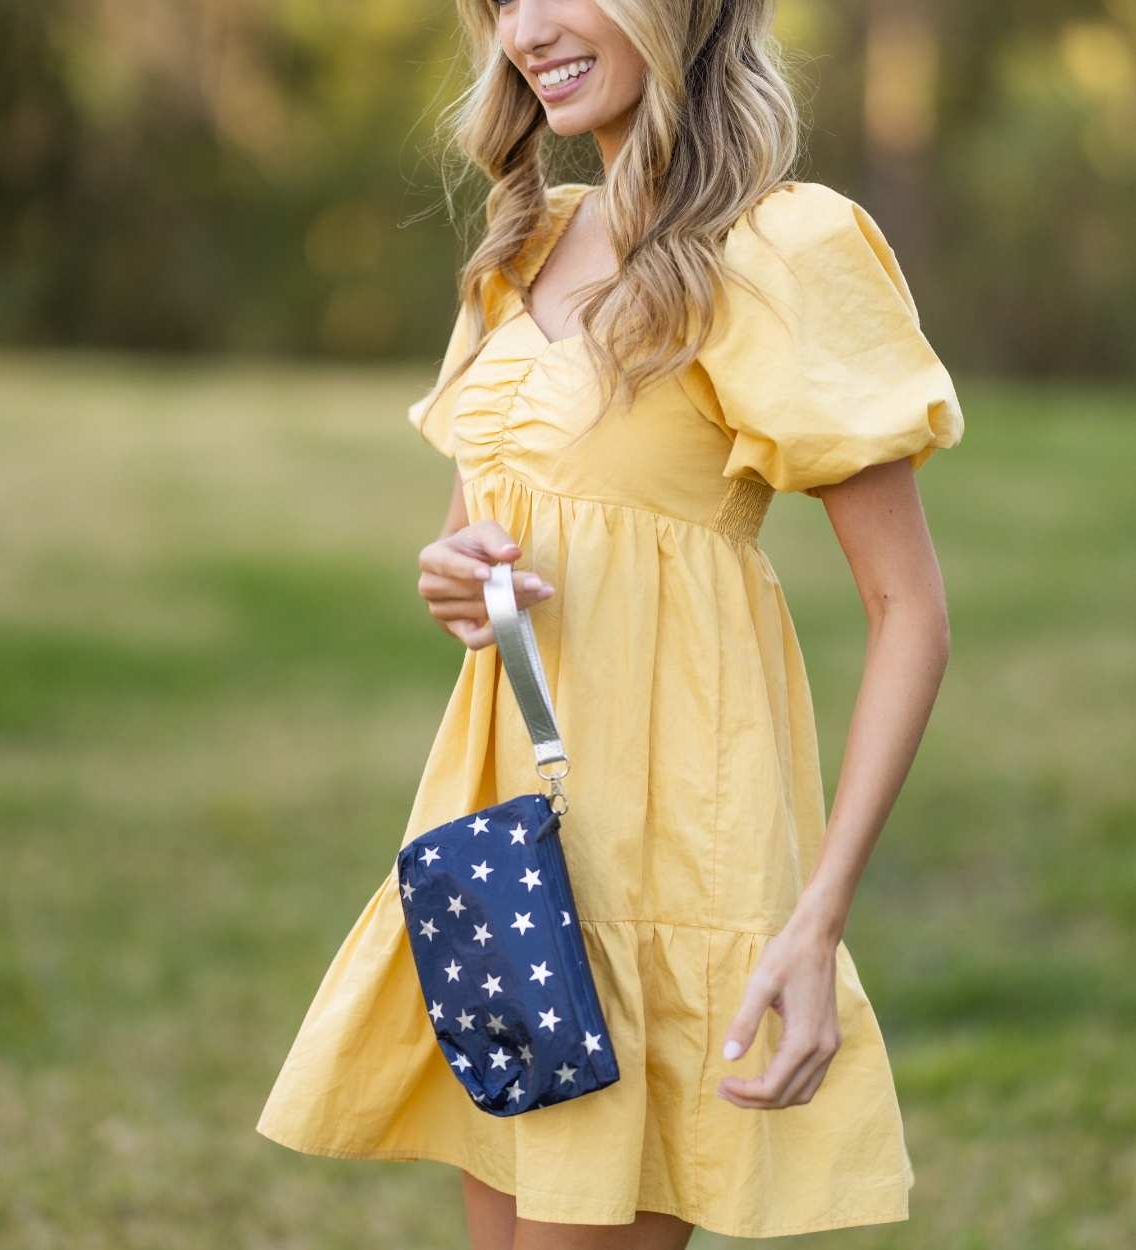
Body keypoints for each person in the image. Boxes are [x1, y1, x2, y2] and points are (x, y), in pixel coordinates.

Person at [256, 0, 964, 1245]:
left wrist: (817, 920)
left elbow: (908, 610)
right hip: (506, 853)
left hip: (666, 856)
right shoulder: (524, 243)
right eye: (501, 1)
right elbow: (477, 540)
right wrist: (451, 577)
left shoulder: (785, 244)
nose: (525, 28)